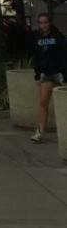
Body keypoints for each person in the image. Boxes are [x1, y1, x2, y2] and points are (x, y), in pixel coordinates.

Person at [30, 13, 67, 143]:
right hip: (46, 74)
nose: (44, 25)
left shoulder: (58, 37)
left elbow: (64, 56)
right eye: (41, 23)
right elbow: (36, 57)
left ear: (50, 23)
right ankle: (40, 132)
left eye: (45, 22)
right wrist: (37, 74)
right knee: (43, 102)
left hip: (59, 74)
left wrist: (65, 75)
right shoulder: (37, 37)